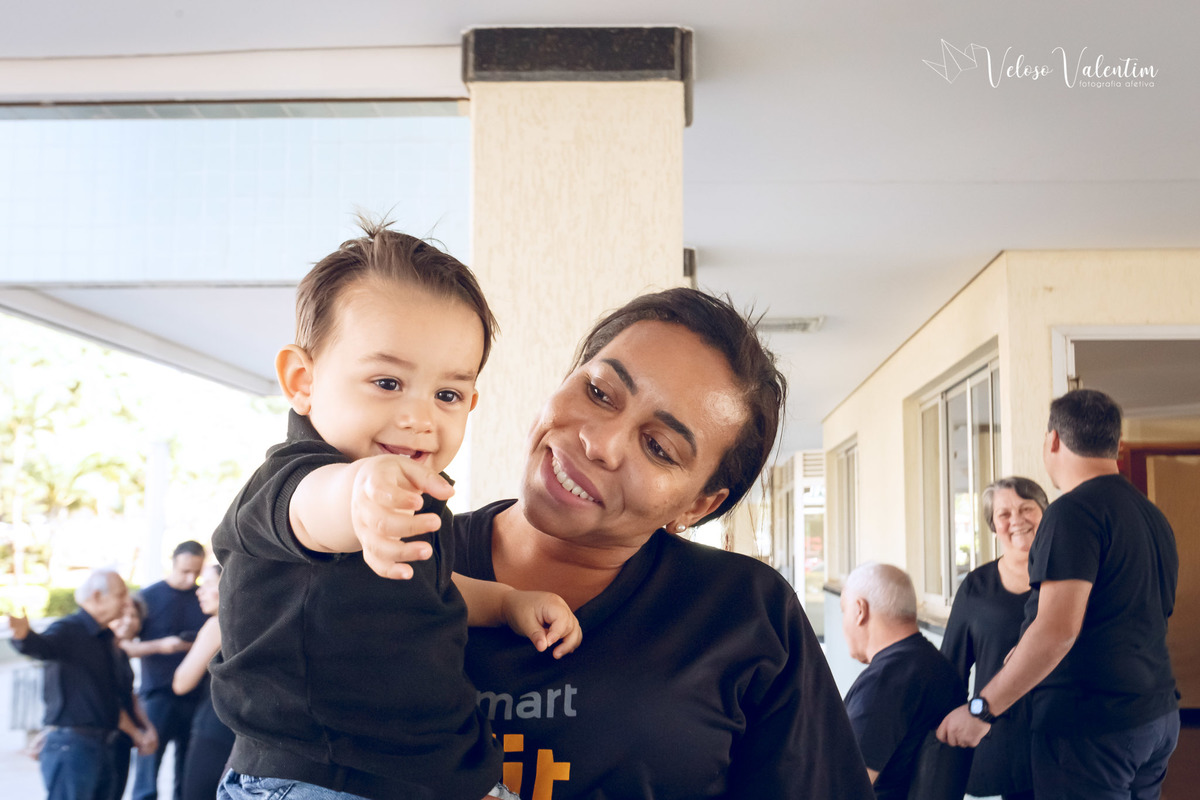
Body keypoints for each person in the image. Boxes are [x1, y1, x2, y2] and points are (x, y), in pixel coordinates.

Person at [452, 287, 875, 798]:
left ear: (696, 506)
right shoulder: (390, 556)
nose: (600, 444)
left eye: (658, 447)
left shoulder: (746, 614)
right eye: (599, 392)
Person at [210, 219, 581, 800]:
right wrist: (360, 491)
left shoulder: (416, 497)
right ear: (302, 381)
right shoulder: (289, 484)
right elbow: (315, 512)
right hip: (318, 777)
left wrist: (507, 601)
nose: (421, 416)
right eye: (387, 382)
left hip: (443, 776)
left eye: (448, 394)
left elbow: (429, 588)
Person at [938, 389, 1180, 800]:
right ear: (1116, 445)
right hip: (1156, 718)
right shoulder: (1150, 514)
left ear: (1053, 441)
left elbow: (1055, 631)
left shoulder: (1073, 512)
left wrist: (982, 710)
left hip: (1093, 729)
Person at [939, 476, 1048, 800]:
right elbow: (951, 670)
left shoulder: (1067, 580)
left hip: (1063, 738)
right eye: (1004, 514)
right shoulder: (975, 586)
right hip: (1000, 741)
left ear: (1045, 513)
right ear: (992, 525)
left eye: (1026, 508)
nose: (1016, 520)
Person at [839, 562, 966, 799]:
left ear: (859, 611)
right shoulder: (936, 666)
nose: (842, 623)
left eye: (843, 610)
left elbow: (844, 788)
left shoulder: (884, 683)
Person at [7, 569, 129, 800]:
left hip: (104, 744)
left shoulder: (105, 637)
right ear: (96, 596)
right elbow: (42, 647)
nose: (126, 602)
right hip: (73, 747)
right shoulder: (68, 629)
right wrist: (23, 636)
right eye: (121, 595)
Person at [125, 539, 210, 800]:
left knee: (186, 779)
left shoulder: (204, 598)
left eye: (195, 572)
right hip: (157, 696)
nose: (190, 578)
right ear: (173, 563)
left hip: (197, 697)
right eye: (185, 571)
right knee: (147, 775)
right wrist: (162, 646)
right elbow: (123, 647)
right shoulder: (147, 597)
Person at [172, 563, 235, 800]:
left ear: (228, 584)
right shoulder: (256, 621)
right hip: (246, 735)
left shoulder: (217, 624)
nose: (199, 591)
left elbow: (181, 683)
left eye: (208, 584)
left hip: (213, 730)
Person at [103, 594, 158, 800]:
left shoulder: (121, 655)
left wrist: (148, 728)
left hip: (121, 743)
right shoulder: (101, 654)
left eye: (133, 615)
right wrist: (139, 735)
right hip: (101, 742)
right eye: (121, 614)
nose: (127, 621)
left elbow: (129, 696)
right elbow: (108, 703)